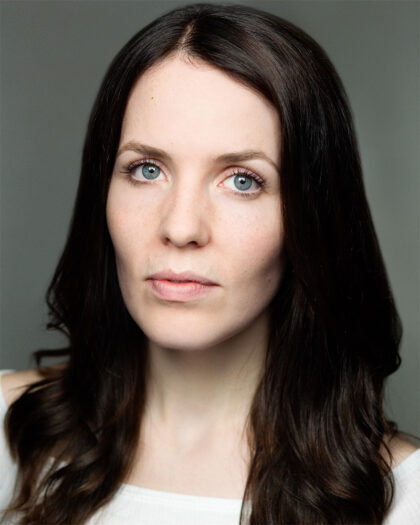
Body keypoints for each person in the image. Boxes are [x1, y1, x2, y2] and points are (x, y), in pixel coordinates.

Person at [1, 2, 419, 524]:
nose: (180, 228)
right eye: (146, 169)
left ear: (313, 216)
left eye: (242, 180)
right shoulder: (9, 434)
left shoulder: (404, 501)